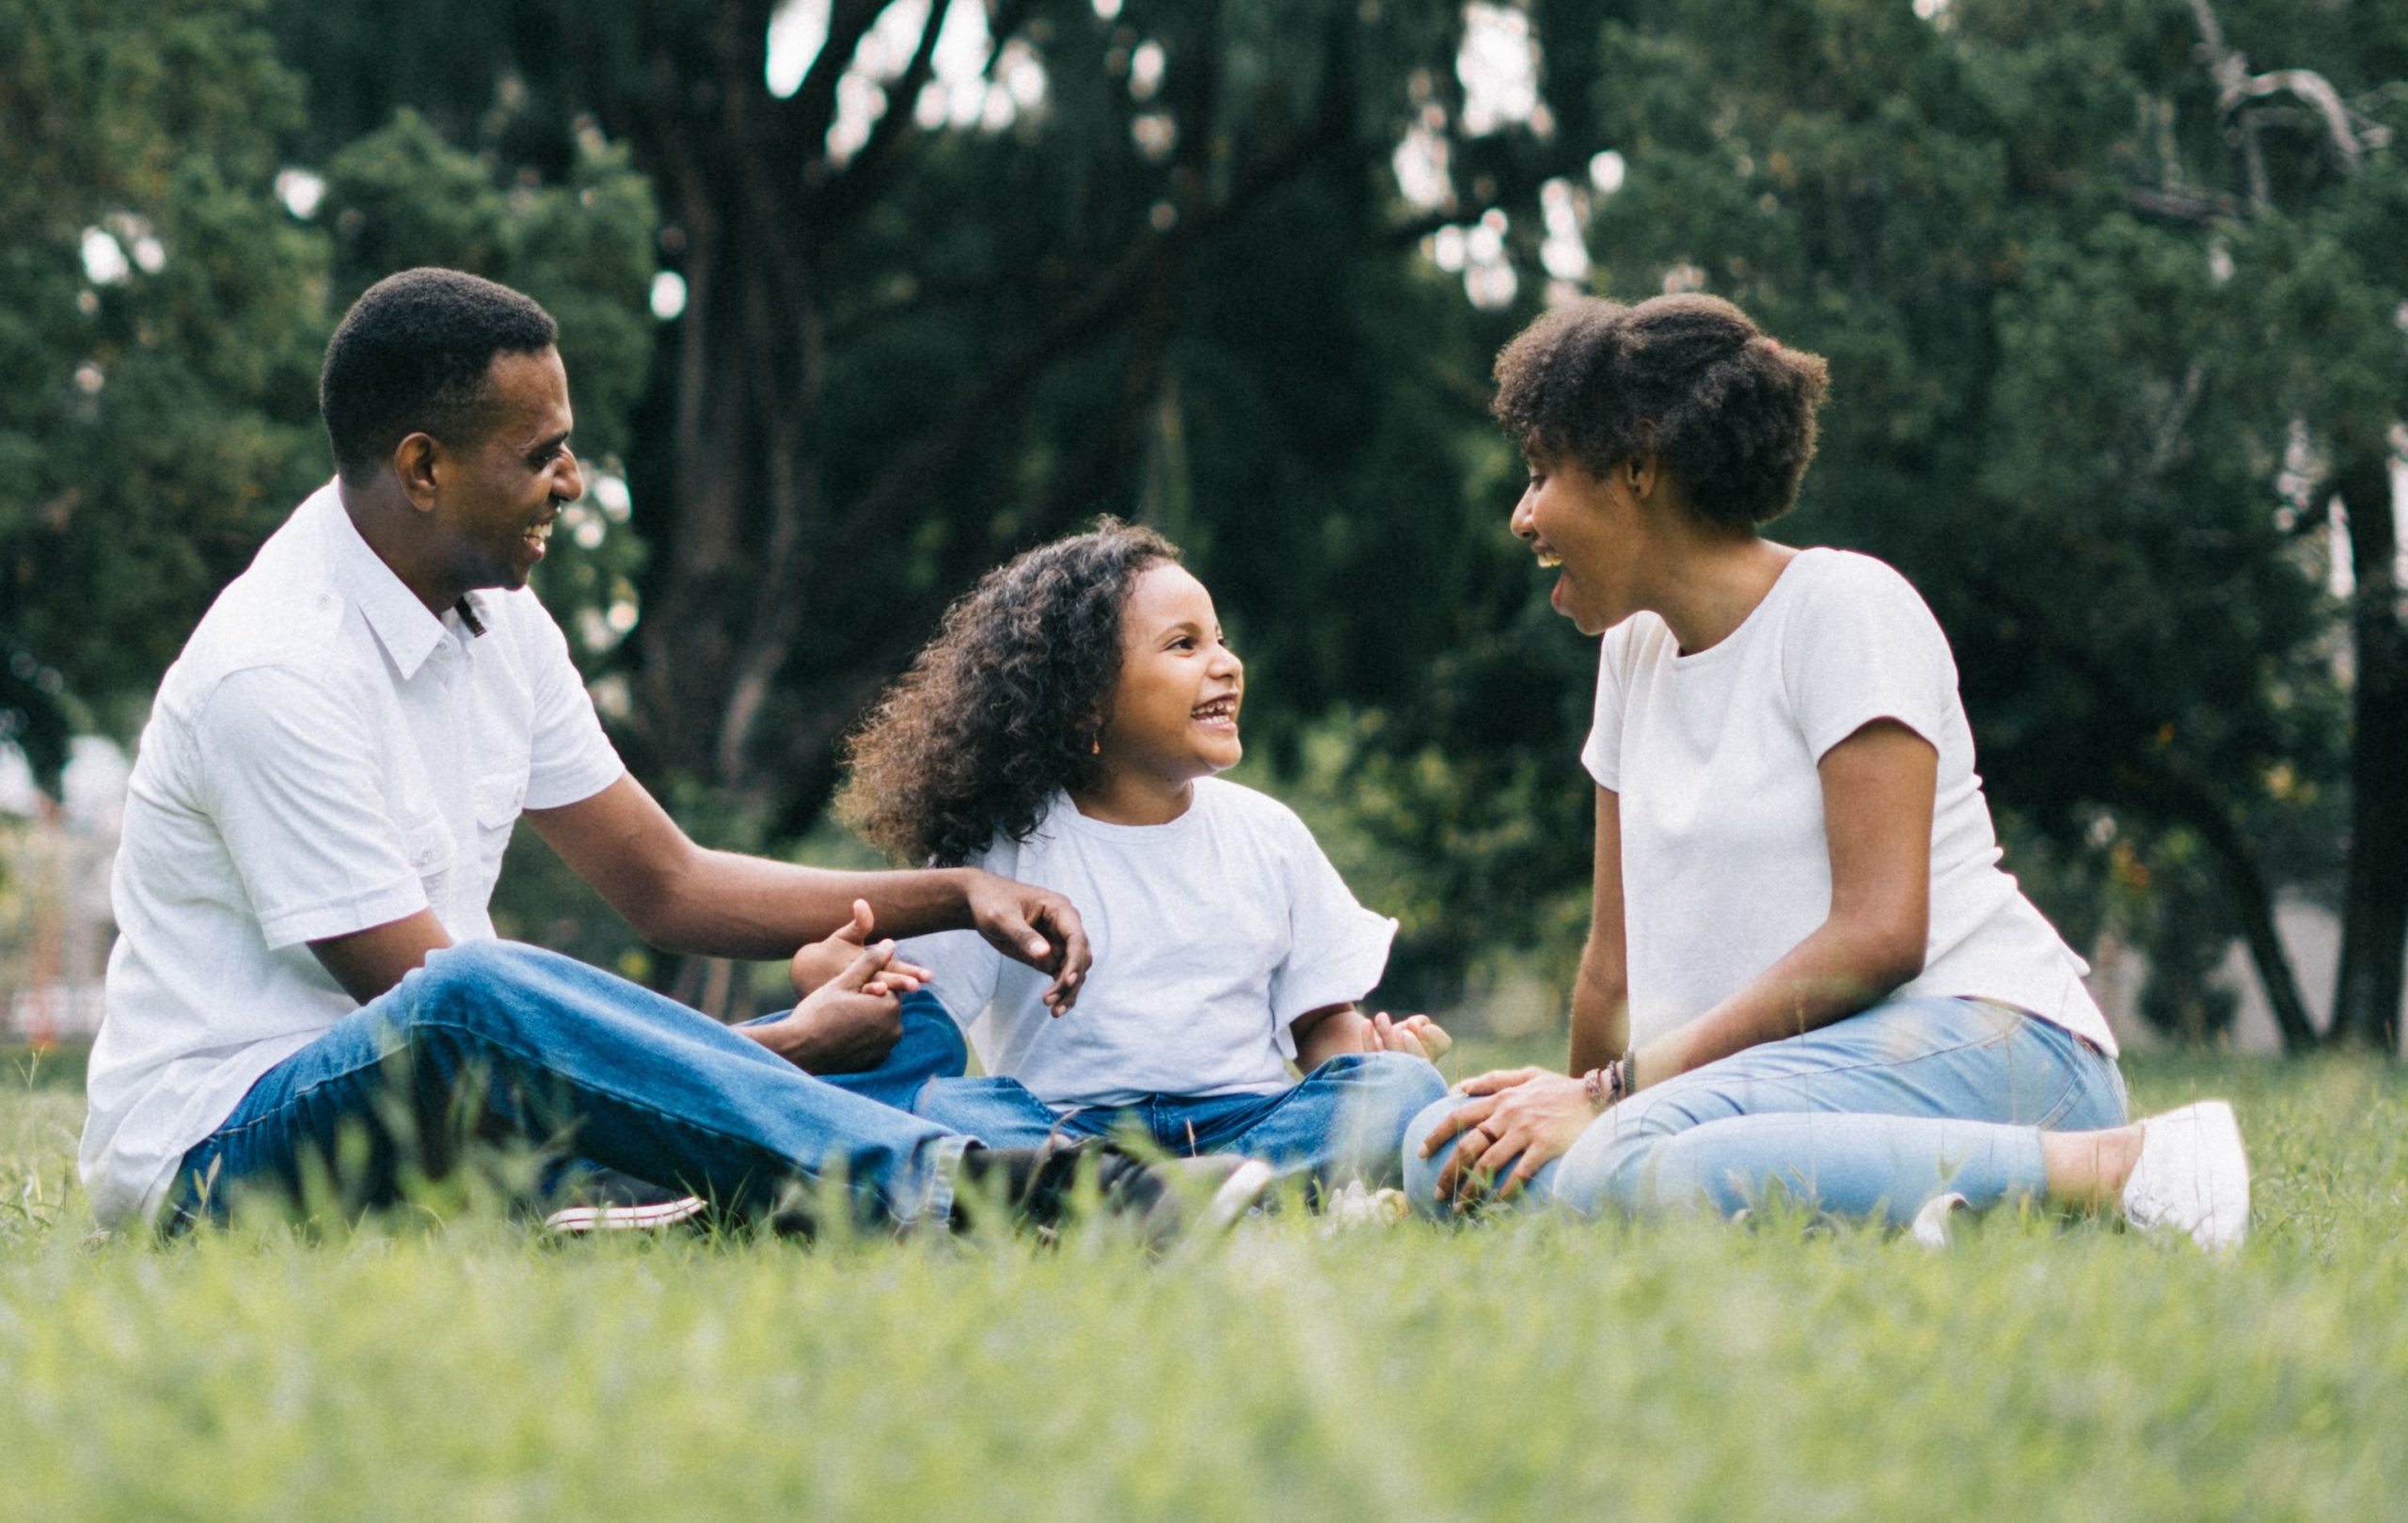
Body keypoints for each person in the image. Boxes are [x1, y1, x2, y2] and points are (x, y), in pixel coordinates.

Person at [78, 267, 1261, 1240]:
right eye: (538, 454)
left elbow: (668, 883)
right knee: (471, 987)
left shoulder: (501, 622)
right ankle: (970, 1187)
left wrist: (954, 895)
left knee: (898, 1033)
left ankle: (684, 1201)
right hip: (221, 1151)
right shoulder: (274, 670)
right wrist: (775, 1047)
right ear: (424, 467)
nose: (573, 482)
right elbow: (436, 1015)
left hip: (444, 1110)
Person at [1405, 293, 2251, 1249]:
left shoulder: (1844, 609)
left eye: (1538, 472)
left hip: (1982, 1039)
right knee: (1444, 1157)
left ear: (1636, 465)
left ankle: (2124, 1165)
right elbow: (1611, 967)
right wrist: (1560, 1113)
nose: (1523, 515)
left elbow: (1880, 934)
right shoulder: (1631, 657)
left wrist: (1610, 1100)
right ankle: (1899, 1206)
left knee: (1627, 1159)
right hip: (1774, 1080)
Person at [815, 520, 1450, 1192]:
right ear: (1085, 701)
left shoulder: (1270, 833)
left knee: (1403, 1088)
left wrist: (1369, 1058)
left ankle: (1200, 1189)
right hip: (1065, 1132)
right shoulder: (998, 850)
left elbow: (1321, 1021)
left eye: (1220, 640)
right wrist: (847, 973)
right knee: (946, 1107)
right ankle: (1162, 1192)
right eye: (1184, 645)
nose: (1226, 663)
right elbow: (920, 1024)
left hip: (1249, 1121)